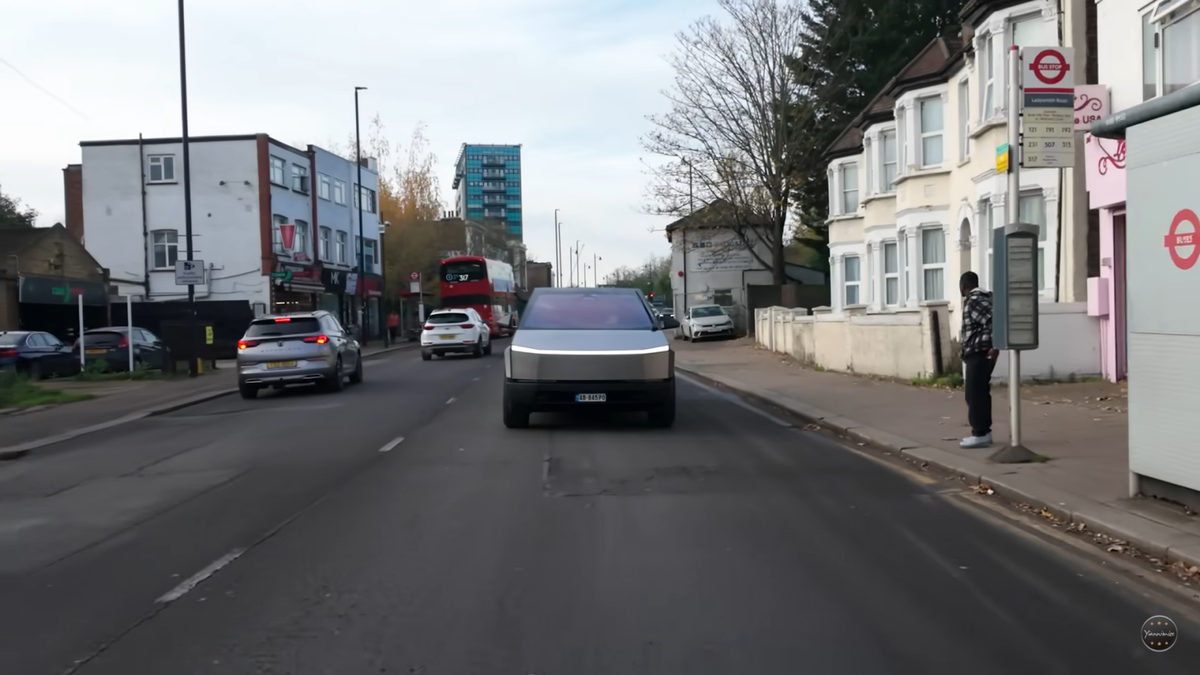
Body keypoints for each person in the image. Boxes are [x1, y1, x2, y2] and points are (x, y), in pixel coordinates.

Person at [959, 271, 999, 448]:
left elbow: (994, 320)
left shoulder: (974, 300)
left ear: (963, 288)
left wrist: (995, 345)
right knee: (979, 392)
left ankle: (979, 432)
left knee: (974, 394)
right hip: (979, 351)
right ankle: (984, 432)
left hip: (979, 351)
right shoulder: (982, 299)